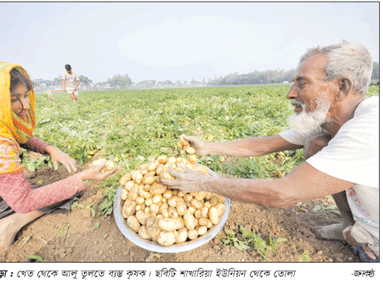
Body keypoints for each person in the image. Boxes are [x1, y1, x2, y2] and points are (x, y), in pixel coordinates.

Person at [161, 41, 379, 262]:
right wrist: (208, 148)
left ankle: (370, 241)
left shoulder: (369, 129)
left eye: (302, 84)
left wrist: (202, 183)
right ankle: (350, 225)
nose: (290, 93)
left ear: (342, 87)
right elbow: (265, 145)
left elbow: (283, 193)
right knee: (317, 144)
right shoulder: (331, 118)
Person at [0, 60, 118, 254]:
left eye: (25, 96)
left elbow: (21, 138)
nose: (25, 105)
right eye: (14, 99)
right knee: (70, 190)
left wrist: (48, 148)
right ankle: (6, 226)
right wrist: (83, 178)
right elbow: (25, 201)